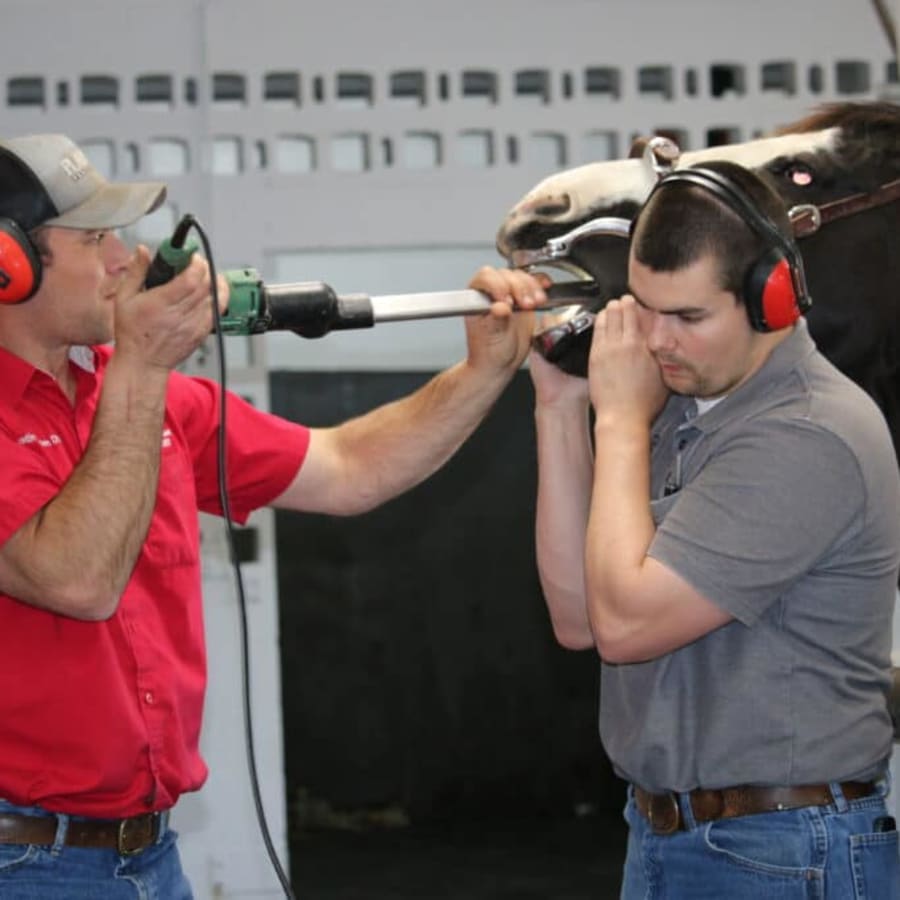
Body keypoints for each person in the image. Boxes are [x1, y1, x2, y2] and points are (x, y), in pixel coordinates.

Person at [0, 133, 543, 899]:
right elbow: (79, 580)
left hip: (146, 858)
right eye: (93, 239)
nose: (125, 259)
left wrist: (484, 371)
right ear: (7, 264)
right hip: (23, 862)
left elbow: (350, 468)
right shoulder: (133, 386)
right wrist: (145, 364)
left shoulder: (139, 397)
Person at [517, 159, 900, 898]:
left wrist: (623, 422)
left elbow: (627, 626)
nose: (657, 341)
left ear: (773, 298)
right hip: (667, 835)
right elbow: (580, 617)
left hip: (783, 852)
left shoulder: (807, 435)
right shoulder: (693, 410)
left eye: (688, 317)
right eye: (644, 307)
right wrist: (560, 409)